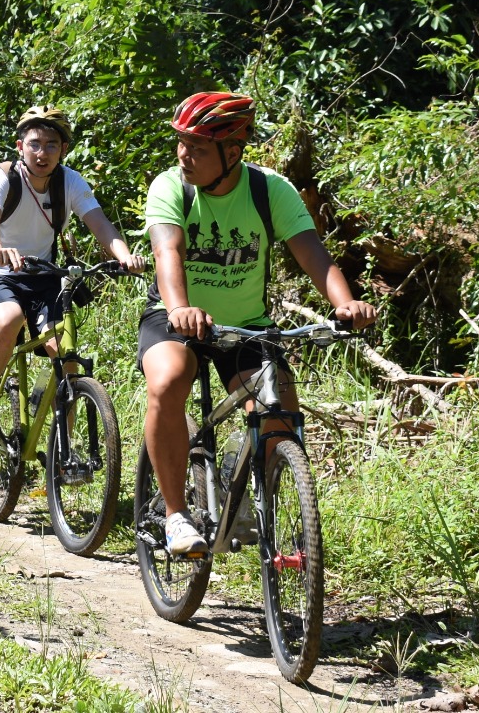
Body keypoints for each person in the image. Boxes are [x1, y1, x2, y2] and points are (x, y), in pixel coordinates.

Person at [140, 92, 377, 556]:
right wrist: (180, 309)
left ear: (233, 153)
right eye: (182, 143)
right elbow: (168, 253)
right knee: (168, 382)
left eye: (199, 148)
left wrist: (347, 303)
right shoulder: (171, 187)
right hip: (176, 316)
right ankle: (174, 516)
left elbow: (314, 255)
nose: (184, 155)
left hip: (247, 325)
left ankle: (240, 486)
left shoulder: (270, 190)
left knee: (279, 415)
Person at [0, 106, 143, 447]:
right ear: (20, 147)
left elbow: (100, 224)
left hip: (43, 277)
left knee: (66, 356)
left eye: (51, 145)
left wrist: (124, 257)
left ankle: (61, 452)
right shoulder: (2, 177)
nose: (42, 152)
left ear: (63, 150)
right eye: (34, 144)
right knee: (9, 318)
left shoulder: (70, 181)